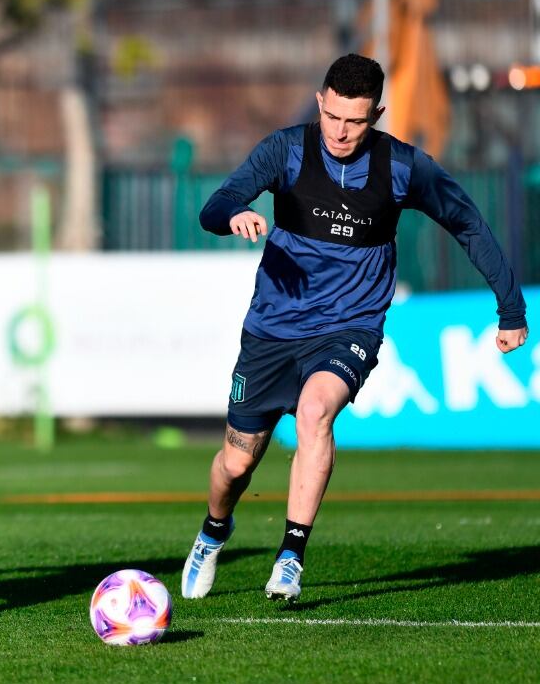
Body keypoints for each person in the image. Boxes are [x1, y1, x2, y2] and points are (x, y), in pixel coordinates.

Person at [181, 53, 528, 604]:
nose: (341, 132)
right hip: (272, 328)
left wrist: (510, 309)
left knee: (316, 412)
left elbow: (467, 223)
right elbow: (215, 205)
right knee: (237, 462)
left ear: (377, 115)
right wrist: (233, 216)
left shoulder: (404, 167)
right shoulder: (286, 150)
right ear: (320, 102)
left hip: (351, 325)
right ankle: (213, 531)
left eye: (356, 121)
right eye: (333, 117)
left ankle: (291, 556)